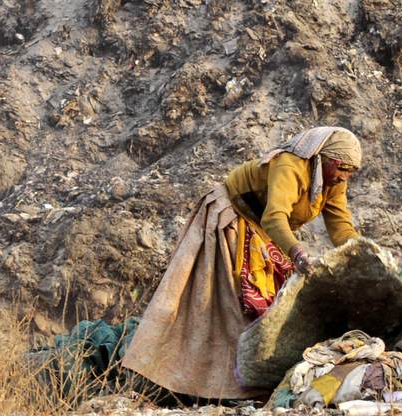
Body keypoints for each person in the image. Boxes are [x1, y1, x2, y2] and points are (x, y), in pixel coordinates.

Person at [122, 126, 363, 400]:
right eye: (341, 167)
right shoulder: (291, 166)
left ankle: (248, 382)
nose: (345, 176)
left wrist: (361, 252)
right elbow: (275, 218)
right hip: (231, 220)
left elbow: (340, 224)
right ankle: (208, 385)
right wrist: (296, 254)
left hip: (260, 231)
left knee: (269, 303)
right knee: (230, 304)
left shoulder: (333, 182)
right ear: (322, 158)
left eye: (350, 171)